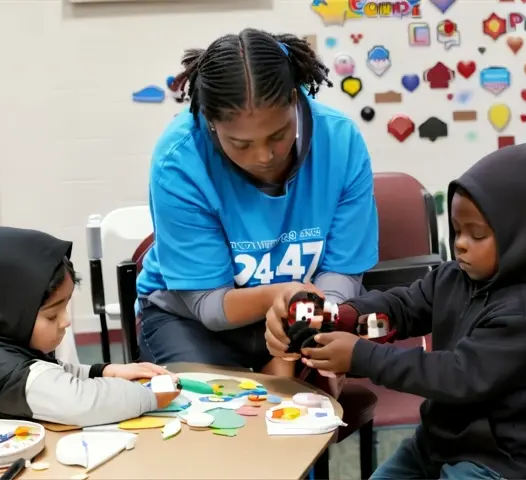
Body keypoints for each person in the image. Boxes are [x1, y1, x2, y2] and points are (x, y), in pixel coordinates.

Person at [266, 142, 526, 479]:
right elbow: (400, 311)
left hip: (502, 457)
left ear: (524, 238)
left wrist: (359, 357)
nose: (460, 243)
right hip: (440, 440)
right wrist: (343, 316)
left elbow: (457, 375)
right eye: (457, 230)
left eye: (477, 234)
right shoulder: (455, 277)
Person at [136, 28, 378, 379]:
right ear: (209, 121)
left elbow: (342, 271)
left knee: (305, 416)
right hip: (194, 321)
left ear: (295, 99)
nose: (264, 156)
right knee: (215, 419)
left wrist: (306, 331)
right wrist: (285, 295)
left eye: (278, 135)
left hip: (304, 310)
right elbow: (208, 305)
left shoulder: (340, 141)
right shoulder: (179, 160)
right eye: (240, 143)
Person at [0, 227, 181, 427]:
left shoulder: (0, 347)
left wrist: (105, 371)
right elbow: (80, 402)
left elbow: (52, 371)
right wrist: (149, 397)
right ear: (4, 317)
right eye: (52, 315)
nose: (66, 321)